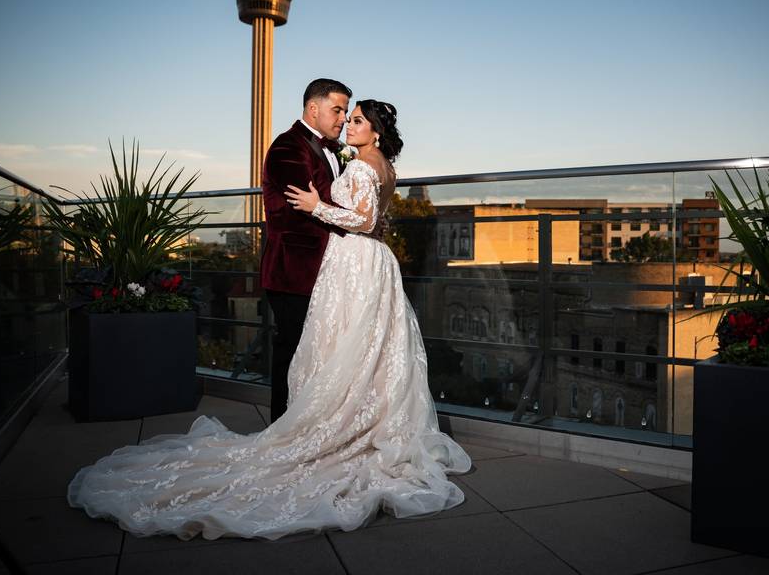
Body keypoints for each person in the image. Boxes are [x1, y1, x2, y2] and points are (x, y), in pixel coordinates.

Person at [67, 97, 471, 540]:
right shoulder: (382, 165)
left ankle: (338, 427)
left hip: (355, 260)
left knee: (346, 345)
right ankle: (366, 421)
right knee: (366, 347)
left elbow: (362, 219)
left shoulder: (359, 165)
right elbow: (375, 220)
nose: (348, 124)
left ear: (374, 132)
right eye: (346, 116)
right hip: (373, 263)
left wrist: (316, 205)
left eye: (356, 120)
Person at [261, 78, 350, 423]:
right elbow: (307, 203)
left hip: (323, 270)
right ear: (313, 109)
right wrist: (359, 219)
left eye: (344, 111)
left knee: (317, 354)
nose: (342, 118)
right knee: (292, 352)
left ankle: (309, 427)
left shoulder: (327, 148)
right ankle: (280, 429)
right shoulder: (287, 147)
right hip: (293, 271)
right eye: (337, 109)